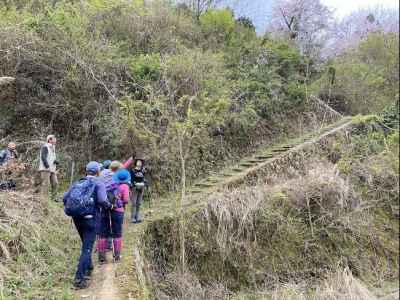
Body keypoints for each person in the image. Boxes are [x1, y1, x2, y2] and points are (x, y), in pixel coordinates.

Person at [63, 161, 112, 289]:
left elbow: (64, 197)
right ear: (98, 171)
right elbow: (102, 200)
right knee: (87, 248)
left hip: (77, 218)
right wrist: (109, 205)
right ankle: (79, 280)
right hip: (91, 219)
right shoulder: (98, 183)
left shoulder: (78, 182)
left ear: (87, 171)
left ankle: (89, 268)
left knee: (85, 244)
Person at [97, 169, 130, 262]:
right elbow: (126, 200)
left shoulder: (102, 185)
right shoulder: (123, 186)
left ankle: (102, 258)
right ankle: (117, 256)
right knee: (117, 233)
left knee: (102, 233)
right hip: (118, 210)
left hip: (104, 209)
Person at [38, 135, 59, 202]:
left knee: (55, 183)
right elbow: (43, 157)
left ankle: (54, 198)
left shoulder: (53, 147)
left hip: (52, 169)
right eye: (54, 139)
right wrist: (47, 166)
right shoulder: (45, 146)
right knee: (46, 185)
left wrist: (56, 162)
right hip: (45, 169)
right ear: (49, 140)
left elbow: (51, 158)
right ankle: (44, 200)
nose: (55, 140)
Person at [129, 158, 147, 223]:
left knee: (139, 203)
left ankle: (137, 216)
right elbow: (131, 180)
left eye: (141, 162)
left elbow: (143, 179)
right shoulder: (133, 170)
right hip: (134, 188)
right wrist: (134, 184)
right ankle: (132, 217)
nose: (139, 163)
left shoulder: (142, 170)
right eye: (138, 162)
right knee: (134, 203)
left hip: (141, 188)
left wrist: (145, 182)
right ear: (136, 163)